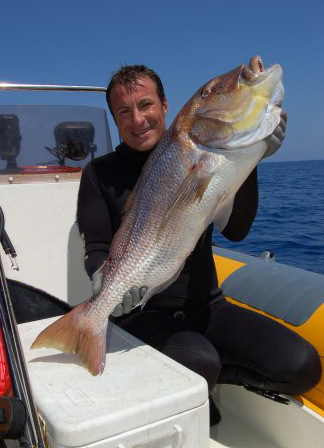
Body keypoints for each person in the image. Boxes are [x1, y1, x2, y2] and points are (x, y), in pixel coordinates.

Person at [77, 65, 321, 423]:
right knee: (198, 361)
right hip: (142, 313)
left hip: (207, 306)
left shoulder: (203, 150)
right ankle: (202, 380)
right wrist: (102, 277)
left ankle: (219, 378)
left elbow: (236, 231)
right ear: (115, 119)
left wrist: (250, 159)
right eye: (124, 112)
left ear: (165, 105)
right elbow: (96, 244)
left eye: (145, 105)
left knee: (302, 365)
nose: (138, 119)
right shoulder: (99, 173)